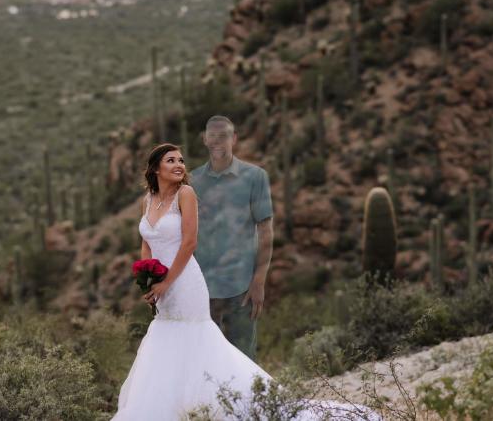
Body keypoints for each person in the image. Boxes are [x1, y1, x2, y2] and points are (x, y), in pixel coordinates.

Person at [110, 143, 381, 421]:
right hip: (161, 286)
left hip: (184, 283)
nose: (179, 164)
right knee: (165, 339)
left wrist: (167, 282)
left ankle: (216, 406)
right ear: (156, 168)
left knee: (193, 340)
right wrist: (147, 280)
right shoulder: (148, 200)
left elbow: (190, 242)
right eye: (171, 160)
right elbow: (147, 243)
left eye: (181, 160)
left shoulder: (186, 194)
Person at [189, 115, 272, 361]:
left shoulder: (255, 177)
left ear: (233, 139)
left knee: (245, 359)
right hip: (202, 288)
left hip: (242, 287)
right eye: (212, 136)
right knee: (206, 360)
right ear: (204, 140)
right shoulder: (191, 182)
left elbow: (265, 230)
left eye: (223, 136)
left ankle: (249, 402)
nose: (217, 142)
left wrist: (259, 280)